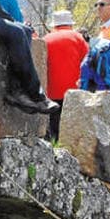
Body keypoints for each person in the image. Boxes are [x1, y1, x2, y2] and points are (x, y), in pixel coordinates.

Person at [42, 10, 88, 140]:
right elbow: (88, 62)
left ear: (54, 25)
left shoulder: (46, 39)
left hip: (51, 91)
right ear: (70, 24)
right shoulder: (78, 38)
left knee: (54, 127)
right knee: (73, 130)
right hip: (74, 91)